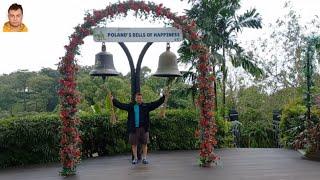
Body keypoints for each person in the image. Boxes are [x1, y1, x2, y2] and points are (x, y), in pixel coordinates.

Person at [111, 92, 165, 165]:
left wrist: (164, 97)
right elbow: (121, 105)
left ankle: (144, 158)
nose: (139, 99)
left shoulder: (146, 106)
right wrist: (113, 100)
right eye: (137, 98)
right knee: (134, 144)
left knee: (145, 144)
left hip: (144, 128)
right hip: (134, 128)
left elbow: (156, 104)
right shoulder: (131, 106)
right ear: (135, 99)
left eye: (140, 98)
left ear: (142, 99)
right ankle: (135, 159)